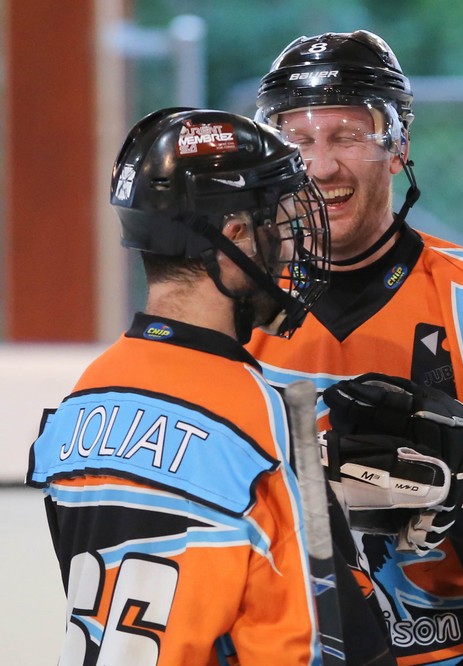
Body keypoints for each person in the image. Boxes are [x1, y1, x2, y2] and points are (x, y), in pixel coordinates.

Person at [245, 30, 463, 665]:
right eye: (298, 140)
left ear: (398, 146)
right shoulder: (234, 305)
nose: (321, 166)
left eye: (348, 136)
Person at [24, 108, 395, 664]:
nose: (288, 246)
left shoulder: (83, 401)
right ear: (235, 234)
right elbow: (323, 647)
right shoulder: (265, 420)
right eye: (276, 225)